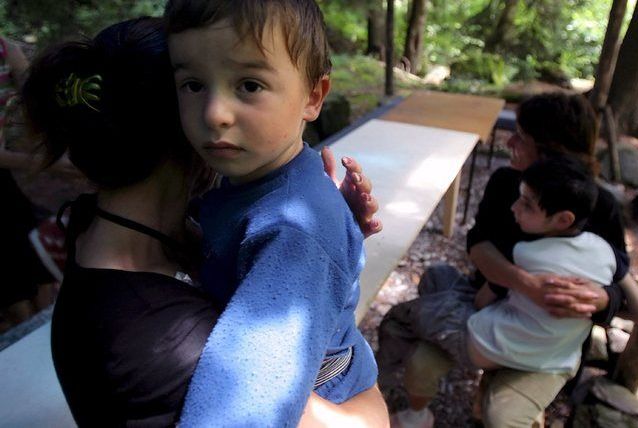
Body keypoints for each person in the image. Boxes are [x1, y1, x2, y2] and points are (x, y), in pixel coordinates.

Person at [23, 17, 385, 427]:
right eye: (195, 87)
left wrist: (331, 234)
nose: (220, 112)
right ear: (187, 124)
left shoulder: (103, 228)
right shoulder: (171, 341)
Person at [163, 1, 382, 426]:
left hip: (320, 394)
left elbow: (243, 405)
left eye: (248, 85)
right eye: (192, 85)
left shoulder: (293, 230)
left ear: (313, 97)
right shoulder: (254, 177)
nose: (214, 114)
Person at [377, 93, 634, 427]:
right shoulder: (506, 183)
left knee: (409, 320)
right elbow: (478, 244)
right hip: (486, 308)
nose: (509, 140)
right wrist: (524, 282)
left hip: (544, 340)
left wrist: (602, 299)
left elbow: (624, 287)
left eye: (522, 137)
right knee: (435, 282)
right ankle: (414, 406)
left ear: (553, 152)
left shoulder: (598, 205)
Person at [465, 158, 638, 426]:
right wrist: (599, 302)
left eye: (526, 204)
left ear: (563, 219)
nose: (514, 208)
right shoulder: (606, 252)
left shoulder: (524, 253)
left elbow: (482, 300)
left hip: (501, 346)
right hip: (562, 358)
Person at [0, 33, 58, 332]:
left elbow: (36, 97)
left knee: (27, 243)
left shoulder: (6, 48)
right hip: (8, 176)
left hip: (11, 180)